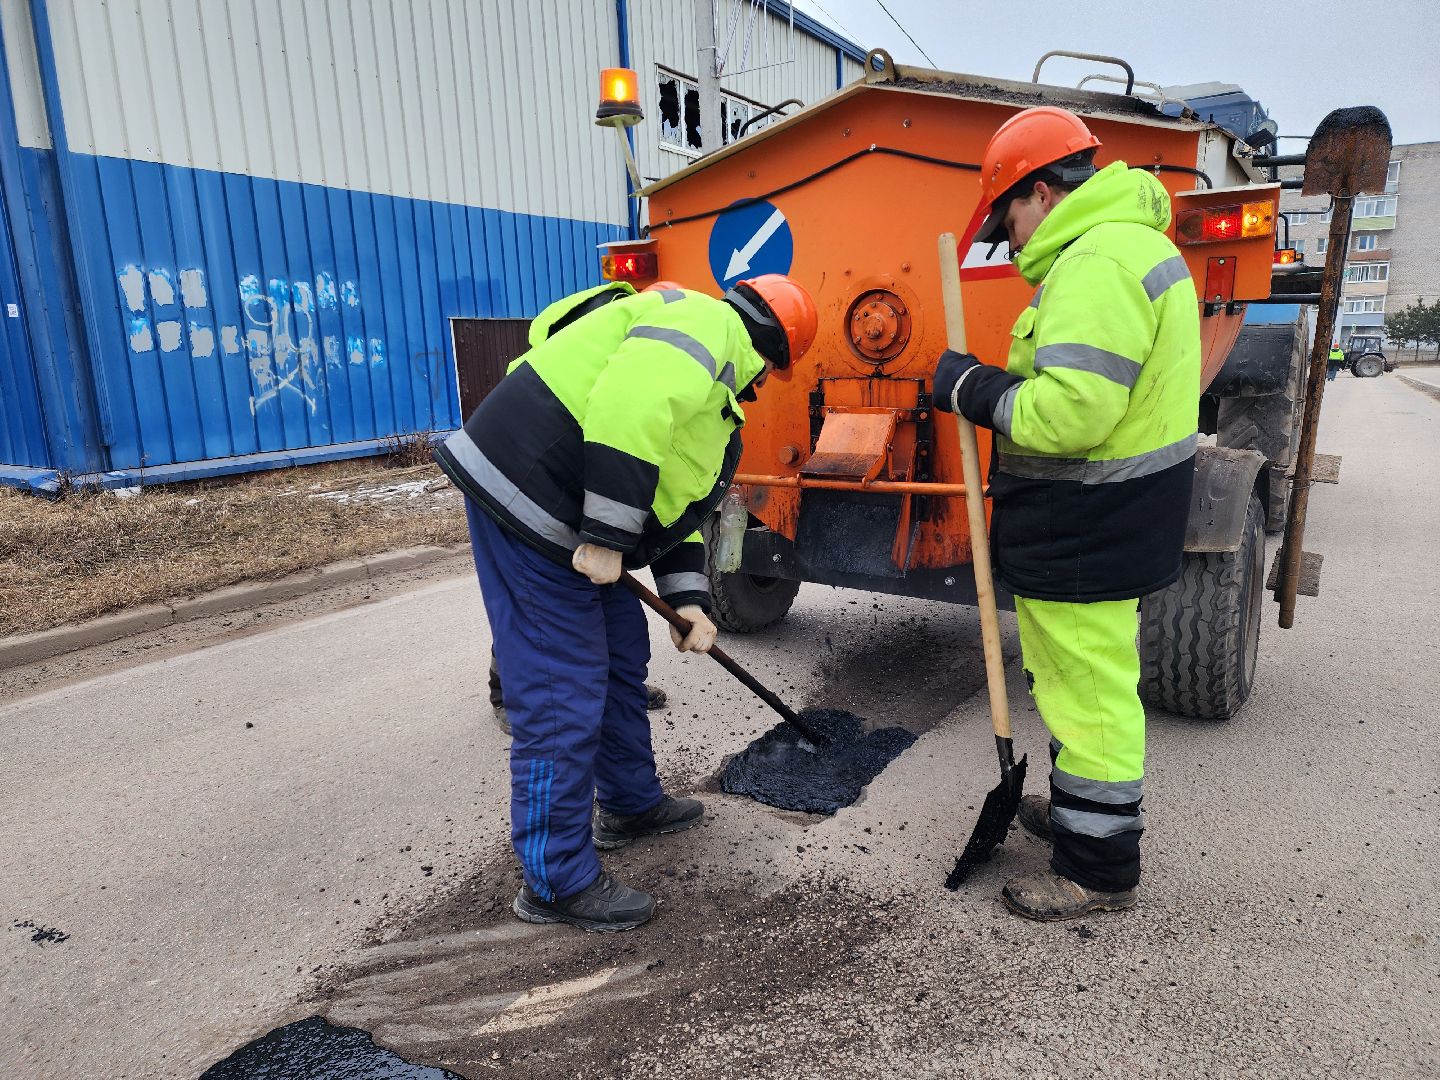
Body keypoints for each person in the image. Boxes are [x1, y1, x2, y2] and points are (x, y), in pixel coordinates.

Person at [435, 274, 817, 932]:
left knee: (619, 653)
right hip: (528, 495)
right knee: (563, 685)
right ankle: (555, 881)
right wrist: (608, 536)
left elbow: (672, 510)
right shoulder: (704, 328)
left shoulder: (714, 395)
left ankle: (630, 804)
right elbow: (625, 409)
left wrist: (691, 601)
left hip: (570, 511)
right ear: (776, 355)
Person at [933, 106, 1200, 921]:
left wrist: (967, 387)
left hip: (1090, 522)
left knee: (1088, 691)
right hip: (1098, 518)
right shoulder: (1122, 251)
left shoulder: (1099, 265)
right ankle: (1084, 814)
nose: (1008, 238)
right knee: (1072, 682)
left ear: (1042, 194)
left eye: (1008, 215)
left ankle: (1096, 869)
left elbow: (1072, 414)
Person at [481, 281, 687, 735]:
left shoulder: (627, 351)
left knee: (608, 611)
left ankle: (615, 692)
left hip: (583, 502)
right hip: (529, 502)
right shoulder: (549, 368)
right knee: (531, 610)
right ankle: (507, 695)